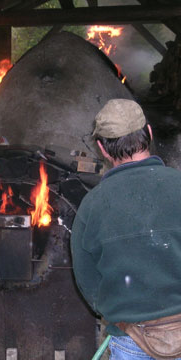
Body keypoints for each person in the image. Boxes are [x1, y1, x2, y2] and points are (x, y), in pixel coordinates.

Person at [71, 98, 181, 359]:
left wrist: (114, 309)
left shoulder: (92, 206)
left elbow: (87, 281)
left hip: (129, 339)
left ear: (102, 149)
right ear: (149, 133)